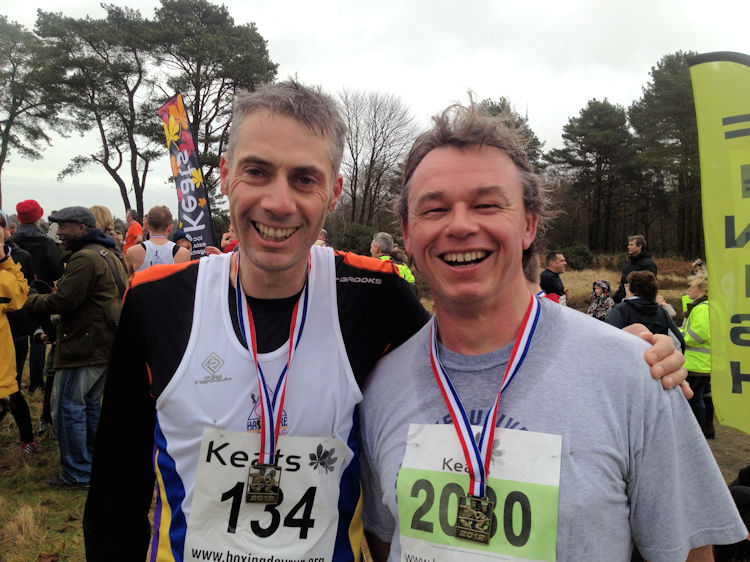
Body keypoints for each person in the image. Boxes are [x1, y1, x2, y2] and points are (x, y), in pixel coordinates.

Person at [83, 82, 686, 561]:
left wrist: (625, 352)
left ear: (335, 192)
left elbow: (478, 349)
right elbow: (116, 486)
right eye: (257, 171)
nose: (277, 201)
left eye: (304, 179)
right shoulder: (157, 299)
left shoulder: (372, 295)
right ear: (224, 176)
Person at [360, 101, 745, 561]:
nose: (460, 225)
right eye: (434, 208)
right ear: (406, 232)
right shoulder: (381, 386)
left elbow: (687, 554)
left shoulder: (636, 374)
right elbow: (386, 542)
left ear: (528, 224)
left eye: (486, 204)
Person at [23, 206, 127, 489]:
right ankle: (92, 463)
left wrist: (28, 298)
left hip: (84, 345)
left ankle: (77, 473)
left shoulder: (85, 258)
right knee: (89, 406)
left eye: (63, 226)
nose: (58, 232)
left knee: (67, 408)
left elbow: (62, 302)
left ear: (81, 228)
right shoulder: (109, 252)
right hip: (103, 343)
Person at [9, 199, 63, 396]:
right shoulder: (46, 242)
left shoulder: (12, 242)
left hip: (16, 294)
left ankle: (12, 380)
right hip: (41, 293)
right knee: (40, 336)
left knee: (18, 337)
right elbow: (57, 271)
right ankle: (37, 382)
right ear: (38, 217)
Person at [0, 210, 37, 454]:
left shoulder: (20, 253)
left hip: (15, 334)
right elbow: (19, 295)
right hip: (10, 338)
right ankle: (28, 440)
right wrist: (5, 261)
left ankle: (28, 439)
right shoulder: (6, 272)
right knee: (10, 391)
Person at [606, 271, 684, 352]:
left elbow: (607, 337)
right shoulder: (661, 313)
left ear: (631, 288)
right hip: (653, 360)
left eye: (627, 285)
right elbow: (678, 341)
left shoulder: (622, 309)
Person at [681, 272, 714, 438]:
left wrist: (679, 337)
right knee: (698, 397)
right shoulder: (707, 306)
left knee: (687, 399)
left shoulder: (701, 309)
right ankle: (700, 432)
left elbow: (698, 335)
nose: (688, 291)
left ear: (701, 290)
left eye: (691, 287)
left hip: (695, 364)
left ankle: (690, 433)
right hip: (704, 363)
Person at [125, 206, 190, 273]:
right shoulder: (183, 254)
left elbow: (130, 279)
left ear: (147, 225)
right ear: (170, 228)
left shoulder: (132, 252)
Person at [613, 235, 657, 303]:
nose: (628, 247)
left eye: (631, 245)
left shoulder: (649, 265)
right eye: (628, 244)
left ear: (639, 246)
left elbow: (648, 288)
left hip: (638, 304)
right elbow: (623, 282)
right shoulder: (629, 262)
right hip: (623, 301)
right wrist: (617, 297)